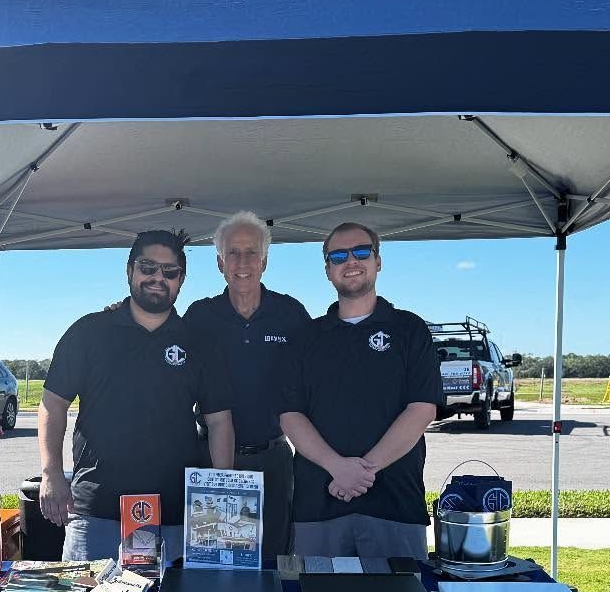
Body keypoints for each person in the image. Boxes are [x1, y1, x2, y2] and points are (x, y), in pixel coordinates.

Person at [39, 229, 234, 561]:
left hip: (175, 514)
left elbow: (219, 422)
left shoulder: (199, 342)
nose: (157, 278)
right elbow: (52, 405)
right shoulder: (89, 332)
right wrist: (51, 472)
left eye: (169, 271)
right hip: (96, 512)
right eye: (147, 267)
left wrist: (219, 489)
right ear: (129, 270)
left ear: (181, 279)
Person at [279, 222, 443, 558]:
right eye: (338, 255)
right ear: (328, 270)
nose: (350, 261)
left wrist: (362, 471)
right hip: (318, 506)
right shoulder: (306, 337)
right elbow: (290, 415)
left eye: (361, 252)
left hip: (395, 503)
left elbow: (422, 410)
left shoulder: (409, 329)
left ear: (378, 261)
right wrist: (338, 468)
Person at [183, 211, 311, 558]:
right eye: (233, 253)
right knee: (216, 558)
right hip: (211, 458)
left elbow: (320, 376)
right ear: (219, 263)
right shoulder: (199, 316)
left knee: (273, 561)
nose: (243, 262)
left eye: (251, 252)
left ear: (264, 261)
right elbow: (163, 355)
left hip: (273, 461)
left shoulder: (291, 314)